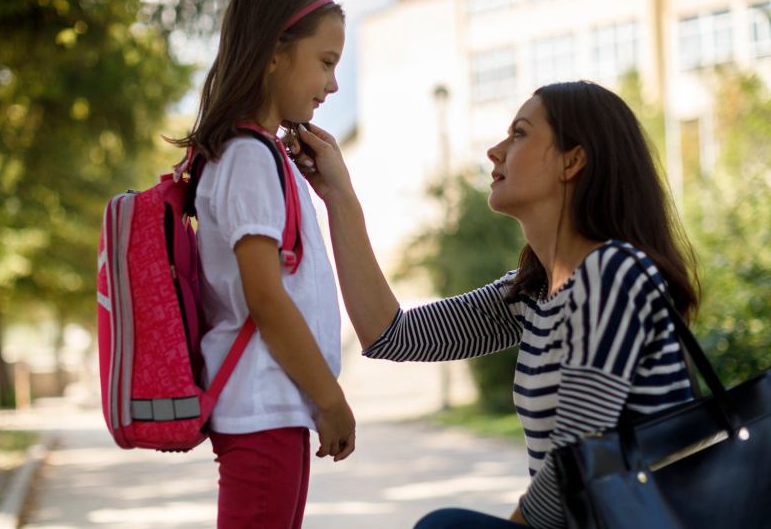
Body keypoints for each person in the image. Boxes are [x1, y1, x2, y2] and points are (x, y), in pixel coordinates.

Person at [293, 80, 700, 528]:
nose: (495, 151)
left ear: (573, 160)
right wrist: (338, 196)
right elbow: (391, 333)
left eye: (520, 134)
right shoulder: (533, 295)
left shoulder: (613, 274)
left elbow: (580, 455)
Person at [167, 0, 354, 529]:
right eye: (325, 62)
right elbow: (266, 298)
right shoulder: (248, 158)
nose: (335, 84)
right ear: (275, 52)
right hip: (262, 404)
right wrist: (331, 400)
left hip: (272, 406)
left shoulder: (259, 154)